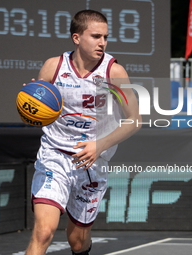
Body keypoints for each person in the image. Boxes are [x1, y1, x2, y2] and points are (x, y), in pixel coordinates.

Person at [25, 10, 141, 255]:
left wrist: (99, 145)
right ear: (76, 38)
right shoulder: (54, 66)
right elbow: (38, 102)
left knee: (77, 241)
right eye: (96, 36)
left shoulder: (113, 73)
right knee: (44, 232)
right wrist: (31, 102)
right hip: (55, 155)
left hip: (93, 161)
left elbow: (134, 121)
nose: (103, 42)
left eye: (106, 37)